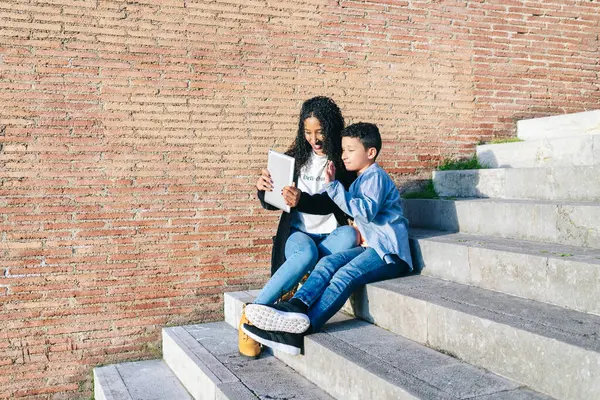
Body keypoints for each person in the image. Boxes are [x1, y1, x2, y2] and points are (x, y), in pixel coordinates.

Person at [242, 122, 413, 355]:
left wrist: (333, 186)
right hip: (371, 247)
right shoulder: (359, 178)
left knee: (345, 275)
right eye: (343, 150)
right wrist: (266, 190)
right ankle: (297, 306)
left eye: (350, 150)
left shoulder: (375, 176)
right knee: (327, 263)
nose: (344, 155)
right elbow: (322, 198)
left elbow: (364, 211)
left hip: (388, 253)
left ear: (370, 153)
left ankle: (304, 327)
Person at [239, 97, 359, 358]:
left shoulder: (344, 159)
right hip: (299, 235)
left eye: (320, 132)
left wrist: (302, 199)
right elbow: (272, 203)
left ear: (332, 128)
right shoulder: (294, 158)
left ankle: (292, 306)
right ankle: (251, 316)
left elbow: (337, 202)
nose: (314, 139)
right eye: (307, 132)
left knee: (350, 234)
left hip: (330, 235)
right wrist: (262, 190)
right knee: (306, 254)